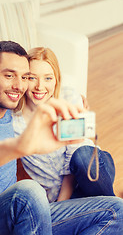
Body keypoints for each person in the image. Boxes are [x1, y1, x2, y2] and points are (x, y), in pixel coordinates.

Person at [0, 41, 122, 235]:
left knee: (117, 210)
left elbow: (42, 90)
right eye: (9, 75)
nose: (18, 85)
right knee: (29, 191)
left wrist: (73, 100)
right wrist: (20, 146)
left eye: (24, 77)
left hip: (20, 218)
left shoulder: (8, 108)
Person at [13, 47, 115, 202]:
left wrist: (63, 203)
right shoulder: (14, 120)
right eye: (32, 78)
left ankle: (115, 207)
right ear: (24, 79)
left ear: (56, 79)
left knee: (80, 156)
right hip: (56, 196)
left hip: (90, 172)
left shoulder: (68, 97)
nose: (40, 86)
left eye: (48, 78)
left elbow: (73, 158)